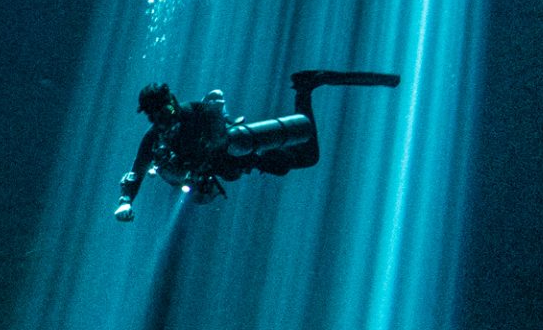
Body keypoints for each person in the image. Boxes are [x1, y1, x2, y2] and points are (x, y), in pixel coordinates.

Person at [114, 69, 400, 219]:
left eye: (166, 113)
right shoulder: (154, 140)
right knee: (304, 156)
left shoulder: (195, 113)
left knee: (309, 155)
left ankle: (306, 89)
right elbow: (135, 172)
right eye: (156, 118)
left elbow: (220, 127)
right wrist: (125, 202)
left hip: (243, 155)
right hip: (234, 164)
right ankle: (305, 89)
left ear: (173, 103)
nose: (163, 122)